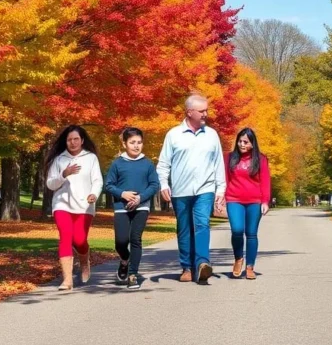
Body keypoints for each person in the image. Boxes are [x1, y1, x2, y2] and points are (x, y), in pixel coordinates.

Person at [157, 94, 227, 285]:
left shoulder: (211, 134)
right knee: (184, 229)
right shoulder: (173, 135)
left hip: (205, 189)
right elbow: (164, 164)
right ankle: (187, 267)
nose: (206, 114)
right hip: (180, 191)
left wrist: (220, 190)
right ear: (189, 112)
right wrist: (164, 184)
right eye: (202, 111)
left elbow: (218, 163)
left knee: (202, 224)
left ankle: (203, 262)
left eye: (207, 110)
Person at [45, 125, 104, 292]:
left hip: (84, 206)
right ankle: (67, 279)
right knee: (65, 236)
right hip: (62, 204)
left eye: (76, 139)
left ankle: (84, 261)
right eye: (69, 140)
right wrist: (64, 174)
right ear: (66, 142)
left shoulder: (91, 158)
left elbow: (98, 180)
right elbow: (50, 184)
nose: (72, 142)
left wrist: (94, 194)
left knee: (79, 240)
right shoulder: (59, 159)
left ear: (82, 140)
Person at [104, 127, 160, 290]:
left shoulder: (147, 164)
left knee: (135, 239)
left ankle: (133, 275)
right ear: (124, 144)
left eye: (139, 142)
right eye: (132, 142)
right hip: (121, 207)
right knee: (121, 242)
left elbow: (154, 184)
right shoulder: (117, 163)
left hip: (141, 207)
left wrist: (140, 198)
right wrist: (123, 194)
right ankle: (124, 261)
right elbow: (109, 185)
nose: (136, 146)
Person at [224, 127, 271, 280]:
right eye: (240, 141)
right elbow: (225, 178)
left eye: (246, 142)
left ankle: (250, 266)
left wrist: (265, 201)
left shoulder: (261, 159)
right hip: (234, 199)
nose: (242, 144)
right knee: (237, 230)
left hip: (254, 201)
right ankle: (238, 259)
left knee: (251, 234)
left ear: (252, 144)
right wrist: (221, 197)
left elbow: (265, 181)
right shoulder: (229, 158)